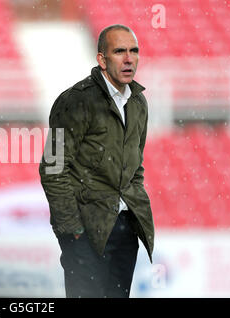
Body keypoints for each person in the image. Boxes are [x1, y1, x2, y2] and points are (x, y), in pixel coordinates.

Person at [39, 24, 154, 298]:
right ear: (102, 59)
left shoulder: (138, 103)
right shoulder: (74, 101)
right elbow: (53, 167)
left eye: (133, 51)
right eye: (119, 51)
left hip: (125, 228)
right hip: (86, 231)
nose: (129, 59)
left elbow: (135, 167)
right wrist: (72, 230)